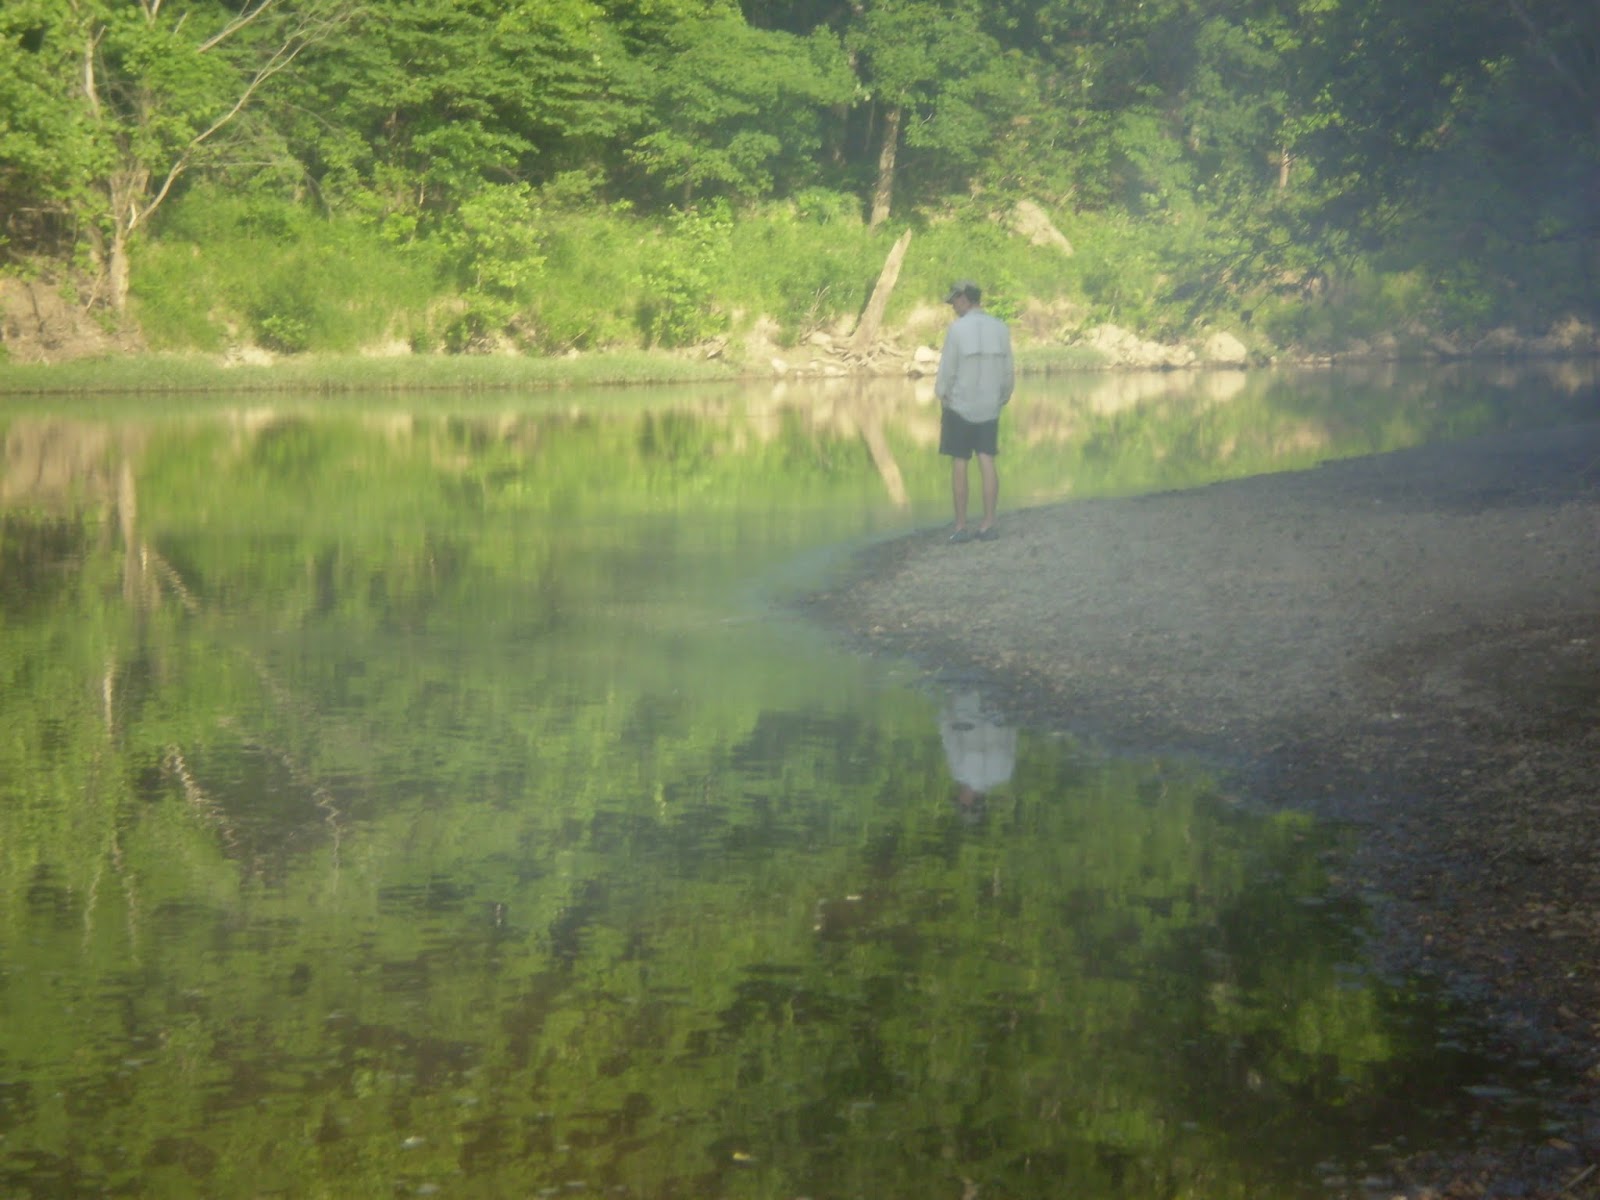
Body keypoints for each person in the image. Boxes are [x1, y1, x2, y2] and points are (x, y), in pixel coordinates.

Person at [934, 279, 1014, 542]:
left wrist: (942, 394)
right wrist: (1003, 396)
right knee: (987, 460)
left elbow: (948, 369)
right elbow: (1008, 370)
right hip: (989, 405)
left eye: (954, 301)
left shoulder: (957, 330)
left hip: (960, 405)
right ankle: (988, 524)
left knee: (960, 462)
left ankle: (960, 527)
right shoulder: (1000, 328)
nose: (953, 307)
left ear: (964, 299)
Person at [939, 688, 1017, 824]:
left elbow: (1012, 736)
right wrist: (947, 708)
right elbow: (950, 738)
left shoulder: (1004, 774)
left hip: (998, 706)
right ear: (967, 802)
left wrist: (1011, 706)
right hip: (968, 704)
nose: (957, 795)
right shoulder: (959, 773)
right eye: (959, 800)